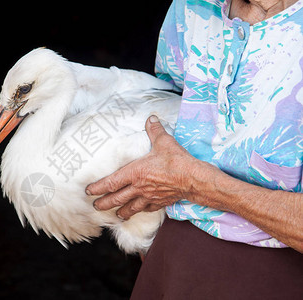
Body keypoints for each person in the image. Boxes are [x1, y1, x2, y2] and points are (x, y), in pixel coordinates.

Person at [86, 0, 303, 298]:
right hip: (171, 256)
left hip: (279, 273)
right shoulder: (190, 7)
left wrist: (194, 183)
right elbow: (169, 107)